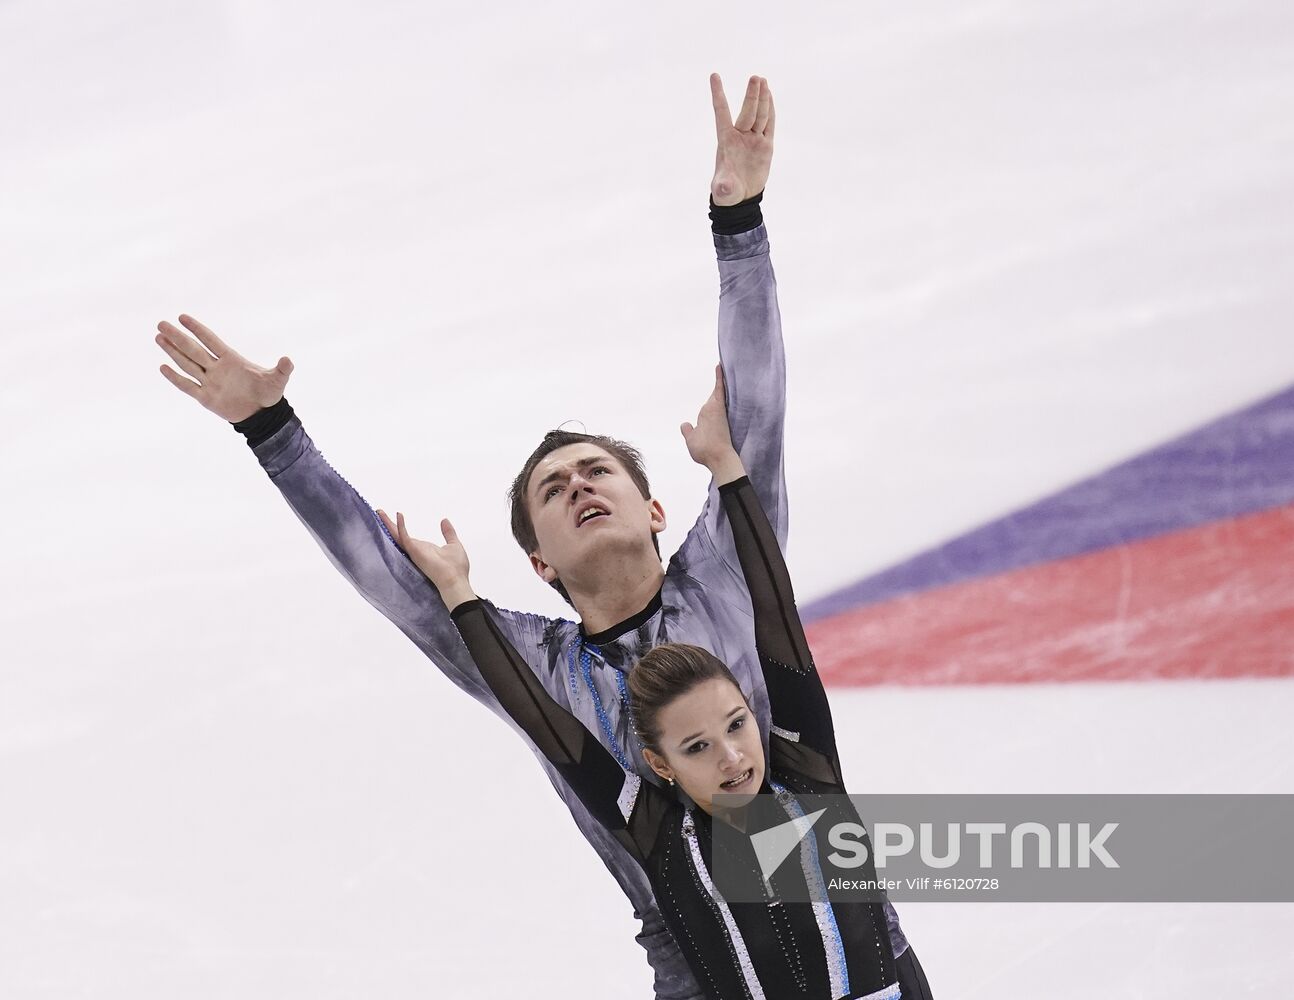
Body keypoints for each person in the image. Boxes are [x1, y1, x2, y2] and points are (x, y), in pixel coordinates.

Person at [153, 74, 911, 997]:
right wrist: (275, 435)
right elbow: (384, 575)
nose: (581, 484)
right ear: (539, 562)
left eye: (599, 472)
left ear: (656, 508)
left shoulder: (722, 578)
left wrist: (738, 222)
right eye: (555, 489)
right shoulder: (528, 663)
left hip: (858, 942)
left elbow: (755, 416)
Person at [395, 367, 933, 999]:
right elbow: (545, 721)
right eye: (698, 746)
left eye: (736, 725)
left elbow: (778, 615)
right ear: (660, 765)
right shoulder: (661, 842)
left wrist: (730, 468)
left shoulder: (809, 776)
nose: (733, 755)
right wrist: (459, 597)